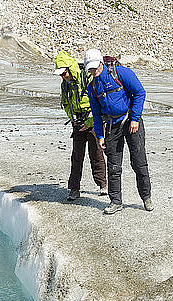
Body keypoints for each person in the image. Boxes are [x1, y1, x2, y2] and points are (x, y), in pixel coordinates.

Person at [84, 49, 153, 215]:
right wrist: (100, 135)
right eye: (90, 69)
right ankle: (115, 201)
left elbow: (139, 92)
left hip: (130, 122)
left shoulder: (120, 73)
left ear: (101, 62)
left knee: (139, 162)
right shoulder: (92, 86)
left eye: (95, 67)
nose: (94, 71)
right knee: (113, 166)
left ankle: (146, 197)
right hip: (112, 126)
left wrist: (135, 118)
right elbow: (96, 113)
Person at [54, 50, 107, 201]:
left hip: (93, 121)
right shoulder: (66, 85)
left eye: (64, 73)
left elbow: (99, 102)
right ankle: (74, 189)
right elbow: (65, 103)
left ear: (70, 69)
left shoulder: (88, 77)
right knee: (77, 156)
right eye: (61, 75)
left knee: (96, 153)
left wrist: (90, 122)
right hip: (77, 122)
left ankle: (102, 184)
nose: (63, 77)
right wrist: (73, 119)